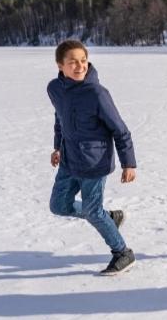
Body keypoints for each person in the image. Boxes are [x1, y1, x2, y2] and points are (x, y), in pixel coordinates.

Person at [47, 39, 138, 275]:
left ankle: (123, 253)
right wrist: (57, 147)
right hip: (68, 159)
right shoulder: (55, 89)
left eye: (83, 61)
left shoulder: (97, 93)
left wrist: (129, 163)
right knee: (58, 205)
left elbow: (120, 129)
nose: (79, 66)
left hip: (94, 162)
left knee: (91, 209)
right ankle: (108, 217)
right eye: (72, 62)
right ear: (60, 65)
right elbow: (60, 118)